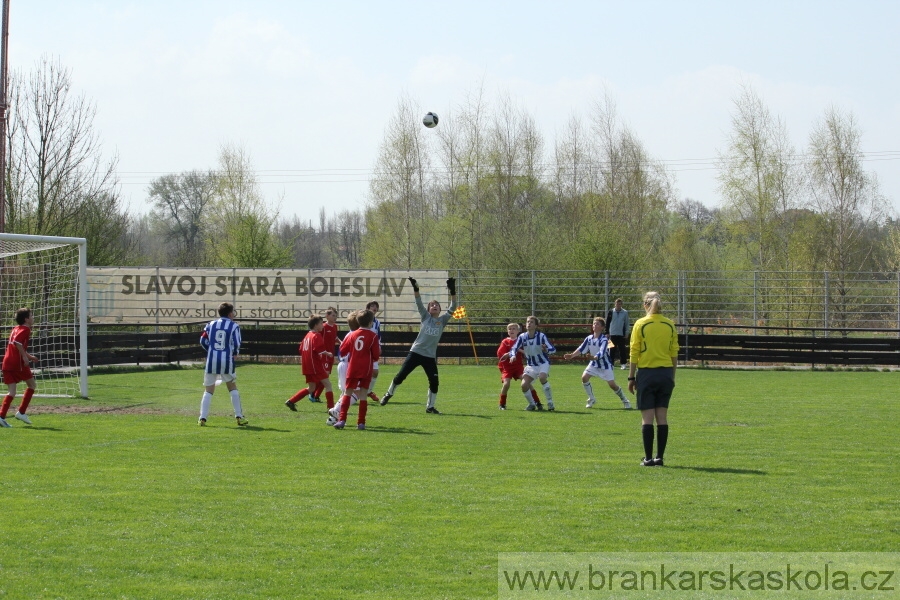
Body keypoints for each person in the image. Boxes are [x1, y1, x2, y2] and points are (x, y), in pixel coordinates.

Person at [380, 277, 457, 414]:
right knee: (400, 376)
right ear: (428, 310)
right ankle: (388, 394)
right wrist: (416, 288)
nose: (434, 306)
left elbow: (453, 307)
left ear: (440, 309)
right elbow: (418, 302)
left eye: (436, 305)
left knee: (434, 382)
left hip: (429, 357)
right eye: (431, 305)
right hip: (415, 353)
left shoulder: (443, 320)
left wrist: (452, 290)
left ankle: (430, 407)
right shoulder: (425, 317)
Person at [627, 291, 679, 467]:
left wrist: (631, 377)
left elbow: (634, 352)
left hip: (647, 374)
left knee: (647, 418)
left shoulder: (641, 324)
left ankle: (648, 458)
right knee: (662, 418)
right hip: (665, 374)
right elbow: (674, 353)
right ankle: (660, 458)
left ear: (645, 305)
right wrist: (672, 376)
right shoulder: (670, 325)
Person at [563, 317, 632, 409]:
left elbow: (602, 352)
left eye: (597, 324)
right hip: (594, 364)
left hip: (605, 365)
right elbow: (581, 349)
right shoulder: (589, 338)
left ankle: (625, 400)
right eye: (594, 324)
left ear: (602, 327)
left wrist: (594, 357)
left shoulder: (604, 339)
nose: (594, 325)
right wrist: (571, 355)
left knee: (612, 385)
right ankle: (591, 399)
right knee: (584, 377)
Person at [198, 302, 247, 427]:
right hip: (226, 360)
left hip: (212, 360)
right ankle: (239, 416)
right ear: (230, 313)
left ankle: (202, 418)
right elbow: (237, 342)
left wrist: (210, 350)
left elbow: (203, 340)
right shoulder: (234, 326)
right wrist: (235, 353)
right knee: (232, 387)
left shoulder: (210, 324)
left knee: (208, 390)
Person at [332, 309, 380, 430]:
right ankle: (361, 423)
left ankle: (342, 420)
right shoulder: (373, 336)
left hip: (353, 367)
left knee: (347, 393)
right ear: (370, 323)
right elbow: (376, 356)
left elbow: (342, 350)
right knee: (363, 395)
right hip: (366, 369)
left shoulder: (352, 334)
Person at [502, 315, 556, 411]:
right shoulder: (522, 337)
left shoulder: (541, 336)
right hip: (531, 365)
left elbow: (553, 349)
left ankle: (550, 402)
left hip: (543, 363)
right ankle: (531, 404)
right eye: (527, 322)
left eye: (531, 322)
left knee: (542, 377)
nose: (529, 324)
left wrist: (546, 349)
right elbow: (514, 348)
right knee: (524, 385)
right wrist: (513, 355)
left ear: (536, 326)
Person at [285, 315, 334, 411]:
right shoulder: (316, 335)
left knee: (311, 388)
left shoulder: (307, 336)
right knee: (328, 384)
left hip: (307, 366)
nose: (323, 325)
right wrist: (328, 354)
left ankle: (291, 401)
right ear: (316, 325)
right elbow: (320, 350)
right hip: (315, 366)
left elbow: (300, 349)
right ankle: (331, 408)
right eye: (321, 323)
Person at [0, 308, 39, 427]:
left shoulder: (15, 329)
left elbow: (16, 345)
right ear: (26, 319)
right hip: (18, 364)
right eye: (31, 316)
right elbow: (17, 343)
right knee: (32, 385)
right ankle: (21, 412)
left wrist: (29, 356)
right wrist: (25, 358)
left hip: (7, 362)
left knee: (11, 391)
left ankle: (1, 416)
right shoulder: (26, 329)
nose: (33, 318)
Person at [496, 322, 541, 410]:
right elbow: (500, 354)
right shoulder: (505, 342)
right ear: (507, 331)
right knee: (506, 384)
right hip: (507, 368)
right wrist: (509, 354)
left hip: (518, 367)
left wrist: (520, 350)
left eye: (514, 329)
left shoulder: (521, 341)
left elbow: (527, 352)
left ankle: (537, 402)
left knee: (527, 383)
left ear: (518, 331)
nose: (511, 330)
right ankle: (502, 404)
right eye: (510, 329)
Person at [364, 300, 383, 404]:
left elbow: (378, 335)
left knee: (375, 372)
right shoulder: (362, 320)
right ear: (367, 308)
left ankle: (368, 391)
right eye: (372, 306)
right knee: (363, 372)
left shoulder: (377, 322)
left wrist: (379, 346)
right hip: (363, 349)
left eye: (376, 306)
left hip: (373, 349)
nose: (374, 308)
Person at [606, 298, 631, 370]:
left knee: (622, 349)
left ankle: (623, 364)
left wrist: (626, 333)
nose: (618, 305)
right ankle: (611, 364)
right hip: (612, 334)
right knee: (611, 350)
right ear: (615, 304)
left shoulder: (625, 312)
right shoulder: (611, 312)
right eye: (617, 304)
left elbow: (626, 323)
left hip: (621, 334)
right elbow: (607, 323)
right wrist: (607, 332)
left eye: (620, 304)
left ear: (621, 305)